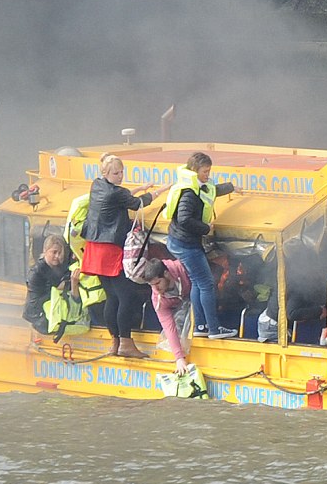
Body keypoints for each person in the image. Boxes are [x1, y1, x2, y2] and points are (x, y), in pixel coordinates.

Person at [81, 152, 170, 358]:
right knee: (127, 296)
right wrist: (161, 191)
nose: (120, 176)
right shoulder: (117, 193)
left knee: (112, 296)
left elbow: (120, 196)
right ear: (105, 172)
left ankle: (114, 342)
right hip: (110, 250)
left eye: (121, 172)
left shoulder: (96, 185)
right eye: (115, 173)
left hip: (94, 248)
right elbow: (137, 203)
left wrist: (139, 188)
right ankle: (126, 343)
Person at [164, 152, 242, 340]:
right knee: (206, 284)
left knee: (198, 283)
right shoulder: (189, 193)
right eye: (205, 171)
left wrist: (231, 187)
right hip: (186, 244)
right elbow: (183, 219)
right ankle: (214, 329)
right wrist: (205, 228)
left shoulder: (195, 186)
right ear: (194, 171)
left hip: (181, 242)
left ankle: (200, 325)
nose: (208, 174)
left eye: (209, 171)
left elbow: (211, 190)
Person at [141, 258, 192, 374]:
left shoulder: (183, 267)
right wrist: (179, 358)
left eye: (158, 283)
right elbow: (169, 327)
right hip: (181, 305)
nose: (156, 289)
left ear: (166, 274)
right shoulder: (157, 299)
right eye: (151, 285)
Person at [23, 234, 80, 336]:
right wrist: (57, 290)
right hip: (39, 318)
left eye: (60, 253)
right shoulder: (36, 273)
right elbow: (35, 303)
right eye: (54, 252)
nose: (57, 256)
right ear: (45, 250)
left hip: (57, 312)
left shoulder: (62, 267)